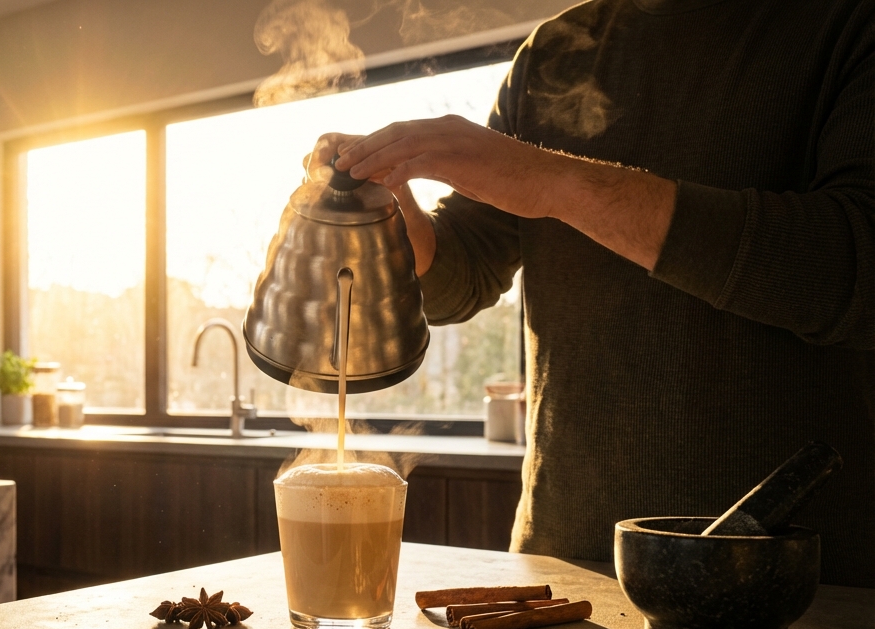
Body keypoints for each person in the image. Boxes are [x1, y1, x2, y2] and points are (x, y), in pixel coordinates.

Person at [310, 0, 875, 587]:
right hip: (565, 553)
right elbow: (463, 276)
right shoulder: (552, 50)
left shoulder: (846, 25)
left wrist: (555, 180)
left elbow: (856, 268)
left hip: (797, 576)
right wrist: (393, 220)